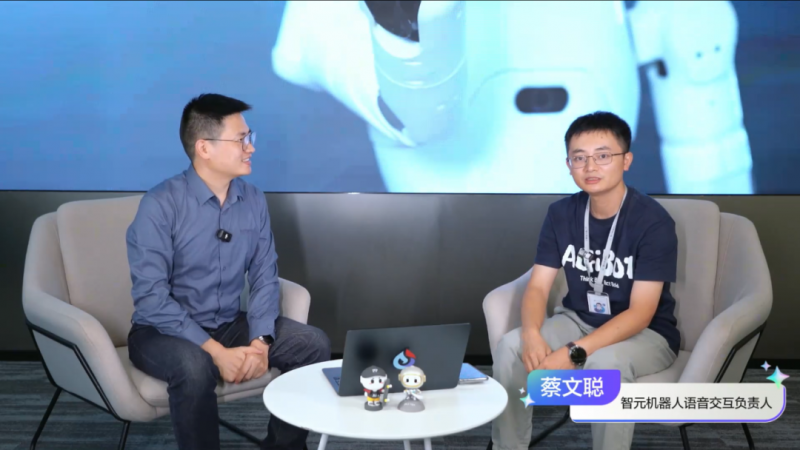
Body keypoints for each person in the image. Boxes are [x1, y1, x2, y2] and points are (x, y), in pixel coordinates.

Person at [126, 93, 331, 450]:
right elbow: (151, 298)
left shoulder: (252, 199)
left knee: (313, 344)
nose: (251, 148)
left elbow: (265, 275)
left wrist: (261, 341)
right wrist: (216, 352)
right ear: (204, 148)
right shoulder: (160, 204)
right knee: (195, 367)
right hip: (160, 332)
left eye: (249, 137)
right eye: (241, 140)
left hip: (227, 322)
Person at [491, 111, 680, 450]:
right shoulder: (560, 214)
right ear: (569, 165)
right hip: (577, 320)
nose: (590, 166)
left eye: (603, 156)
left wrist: (575, 352)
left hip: (645, 333)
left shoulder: (653, 222)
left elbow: (641, 313)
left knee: (604, 365)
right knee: (510, 347)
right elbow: (538, 286)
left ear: (626, 160)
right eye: (579, 158)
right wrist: (532, 334)